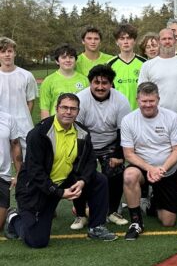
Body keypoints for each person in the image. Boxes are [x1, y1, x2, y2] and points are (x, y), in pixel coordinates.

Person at [4, 93, 117, 246]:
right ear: (56, 108)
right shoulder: (39, 133)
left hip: (65, 180)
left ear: (78, 111)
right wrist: (58, 192)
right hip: (37, 188)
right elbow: (34, 171)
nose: (68, 112)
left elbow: (90, 161)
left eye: (73, 108)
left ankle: (96, 227)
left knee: (99, 180)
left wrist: (83, 181)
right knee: (36, 241)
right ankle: (14, 217)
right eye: (64, 107)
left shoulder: (82, 132)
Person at [120, 82, 177, 240]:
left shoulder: (171, 117)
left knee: (168, 222)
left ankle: (152, 200)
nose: (147, 105)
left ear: (158, 99)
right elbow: (128, 154)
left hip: (166, 169)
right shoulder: (128, 120)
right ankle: (136, 222)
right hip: (142, 168)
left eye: (151, 101)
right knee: (129, 175)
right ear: (137, 100)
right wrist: (150, 169)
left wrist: (161, 169)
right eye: (144, 101)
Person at [76, 65, 131, 228]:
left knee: (115, 172)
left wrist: (119, 155)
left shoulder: (120, 99)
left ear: (111, 83)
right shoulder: (80, 99)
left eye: (105, 83)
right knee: (79, 172)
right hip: (86, 143)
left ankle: (112, 211)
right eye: (96, 82)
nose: (100, 87)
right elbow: (78, 131)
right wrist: (82, 157)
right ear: (90, 82)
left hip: (110, 143)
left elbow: (124, 130)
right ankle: (80, 213)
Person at [138, 28, 177, 134]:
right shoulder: (147, 66)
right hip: (156, 121)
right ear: (158, 41)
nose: (167, 41)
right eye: (164, 39)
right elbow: (143, 94)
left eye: (170, 38)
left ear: (175, 41)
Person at [0, 37, 38, 154]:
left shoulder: (27, 75)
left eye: (10, 51)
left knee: (27, 163)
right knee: (4, 166)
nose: (7, 55)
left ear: (14, 53)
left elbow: (30, 101)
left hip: (24, 126)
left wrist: (24, 119)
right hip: (2, 126)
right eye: (3, 51)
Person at [40, 44, 88, 119]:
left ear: (75, 60)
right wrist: (47, 128)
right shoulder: (48, 81)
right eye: (64, 57)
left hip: (79, 124)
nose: (68, 60)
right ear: (57, 61)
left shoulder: (84, 80)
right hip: (56, 125)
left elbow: (89, 105)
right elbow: (45, 108)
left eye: (71, 57)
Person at [107, 23, 146, 110]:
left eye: (129, 38)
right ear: (117, 42)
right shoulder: (109, 65)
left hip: (141, 113)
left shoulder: (144, 63)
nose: (125, 42)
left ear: (134, 41)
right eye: (122, 38)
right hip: (117, 113)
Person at [0, 111, 23, 230]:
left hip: (2, 176)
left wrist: (19, 174)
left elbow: (15, 146)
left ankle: (11, 215)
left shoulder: (8, 119)